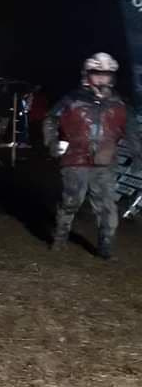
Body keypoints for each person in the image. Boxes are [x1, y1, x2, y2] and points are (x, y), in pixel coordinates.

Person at [42, 52, 132, 259]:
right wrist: (52, 143)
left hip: (105, 163)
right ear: (87, 74)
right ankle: (60, 239)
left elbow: (130, 128)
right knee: (71, 201)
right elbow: (51, 119)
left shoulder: (119, 102)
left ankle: (105, 249)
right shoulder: (72, 99)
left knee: (107, 208)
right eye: (97, 73)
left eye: (106, 74)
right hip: (76, 159)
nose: (101, 78)